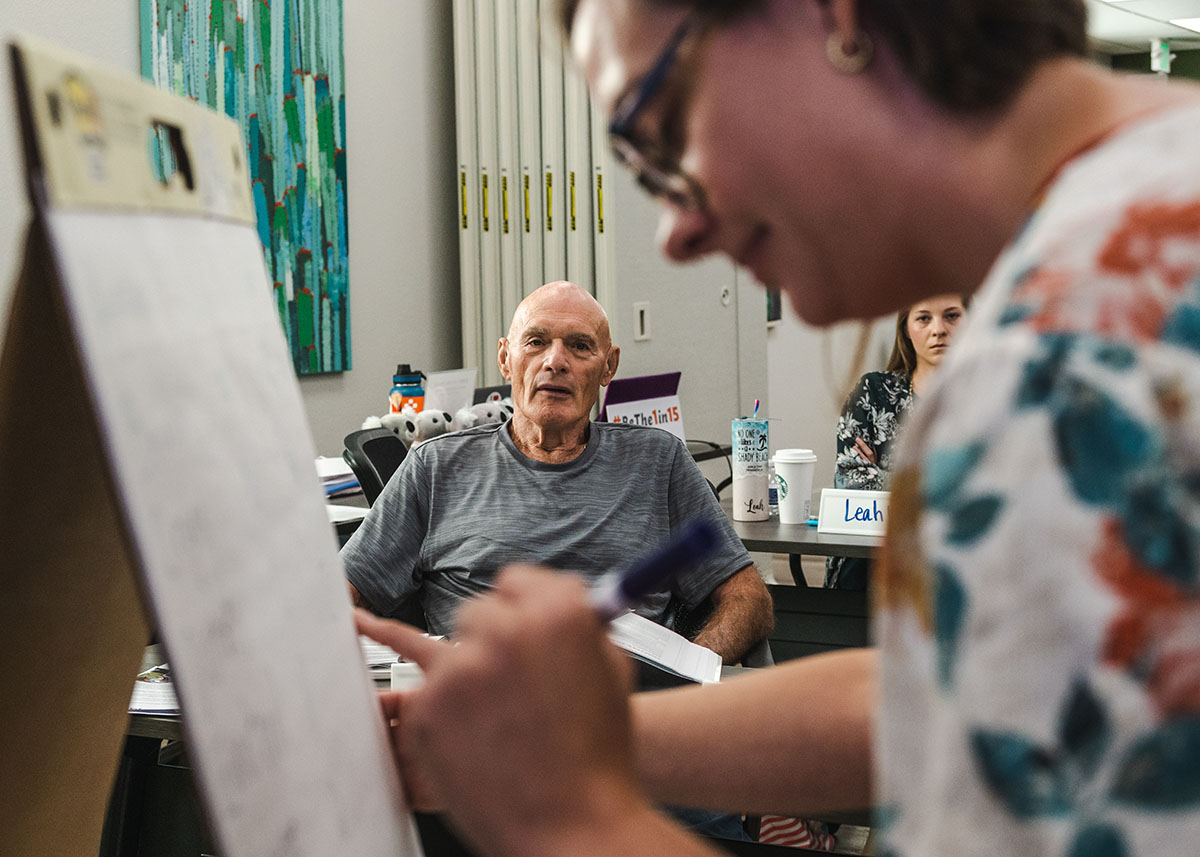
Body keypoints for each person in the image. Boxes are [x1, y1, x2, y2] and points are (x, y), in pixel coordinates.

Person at [359, 2, 1200, 856]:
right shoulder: (1120, 243)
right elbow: (939, 710)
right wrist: (581, 747)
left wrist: (579, 818)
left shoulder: (1081, 342)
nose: (678, 230)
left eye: (667, 136)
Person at [342, 279, 773, 664]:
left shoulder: (658, 462)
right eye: (535, 342)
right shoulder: (436, 467)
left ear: (609, 367)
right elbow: (339, 597)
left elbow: (748, 598)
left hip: (621, 714)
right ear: (505, 359)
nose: (555, 361)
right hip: (481, 710)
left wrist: (693, 668)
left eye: (580, 346)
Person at [824, 294, 966, 589]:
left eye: (951, 316)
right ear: (906, 328)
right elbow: (852, 482)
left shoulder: (993, 397)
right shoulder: (873, 393)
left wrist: (887, 477)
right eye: (924, 318)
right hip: (872, 559)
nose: (938, 329)